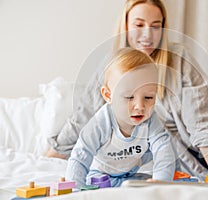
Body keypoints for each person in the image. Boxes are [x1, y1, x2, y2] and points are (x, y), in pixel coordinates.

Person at [47, 0, 208, 184]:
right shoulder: (110, 68)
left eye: (156, 26)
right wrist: (49, 155)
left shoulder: (179, 60)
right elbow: (83, 118)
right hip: (189, 163)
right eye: (139, 24)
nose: (147, 35)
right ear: (125, 25)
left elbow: (202, 127)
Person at [66, 48, 176, 188]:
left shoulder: (150, 120)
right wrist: (74, 192)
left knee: (148, 186)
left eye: (148, 97)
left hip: (130, 175)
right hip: (100, 176)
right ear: (108, 95)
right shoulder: (101, 122)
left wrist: (161, 183)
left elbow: (163, 150)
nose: (140, 106)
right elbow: (80, 156)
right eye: (129, 97)